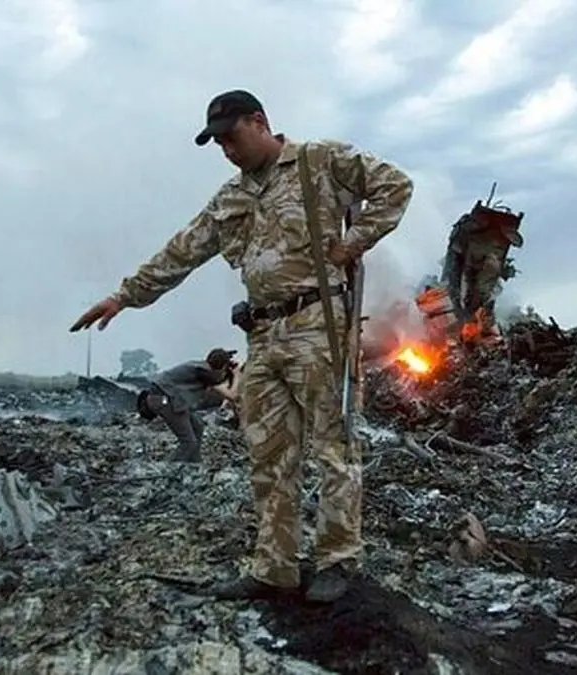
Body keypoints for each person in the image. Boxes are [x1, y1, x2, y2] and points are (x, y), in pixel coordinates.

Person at [69, 89, 414, 604]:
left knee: (334, 448)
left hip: (319, 326)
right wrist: (124, 296)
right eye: (219, 144)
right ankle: (274, 568)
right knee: (269, 454)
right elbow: (183, 249)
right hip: (263, 335)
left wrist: (355, 240)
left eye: (232, 138)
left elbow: (395, 186)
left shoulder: (320, 162)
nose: (227, 150)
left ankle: (338, 559)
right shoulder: (231, 198)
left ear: (260, 122)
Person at [136, 348, 240, 462]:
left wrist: (227, 369)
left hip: (172, 400)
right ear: (222, 367)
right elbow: (232, 396)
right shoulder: (205, 374)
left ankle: (194, 462)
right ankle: (171, 468)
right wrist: (237, 375)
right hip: (165, 401)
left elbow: (218, 379)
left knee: (198, 426)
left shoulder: (200, 367)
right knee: (188, 442)